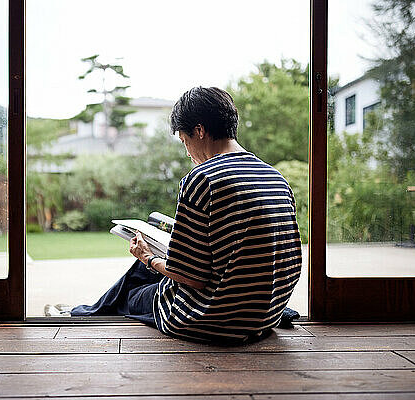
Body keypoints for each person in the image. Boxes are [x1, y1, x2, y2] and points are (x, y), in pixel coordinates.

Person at [72, 86, 302, 343]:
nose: (187, 151)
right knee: (150, 269)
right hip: (265, 314)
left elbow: (190, 277)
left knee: (134, 290)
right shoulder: (275, 177)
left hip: (215, 319)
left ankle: (82, 313)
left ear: (199, 131)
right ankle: (86, 310)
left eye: (184, 141)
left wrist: (148, 257)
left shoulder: (203, 178)